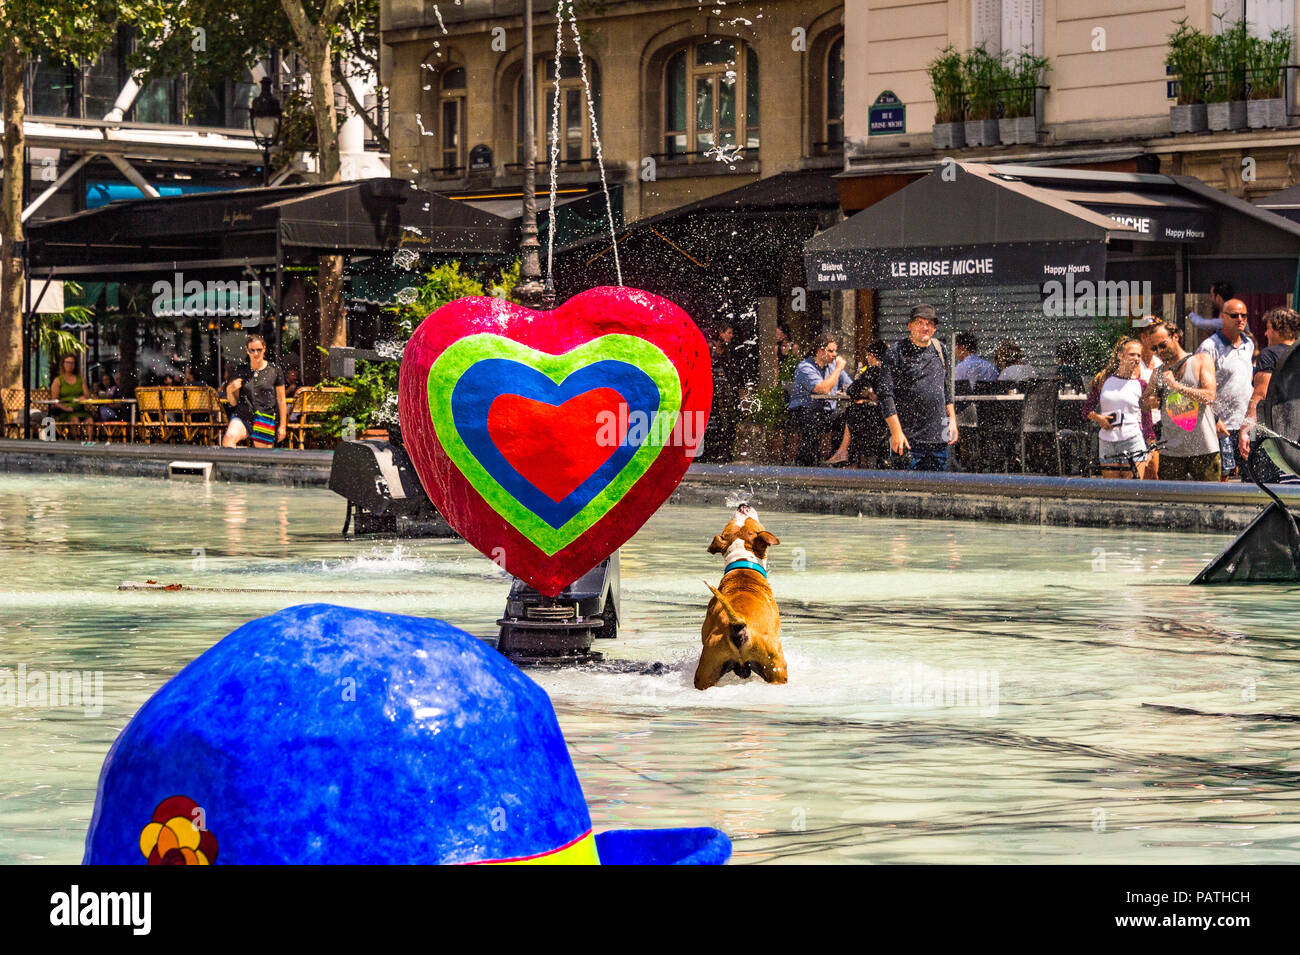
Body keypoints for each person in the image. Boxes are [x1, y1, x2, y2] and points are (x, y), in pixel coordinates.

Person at [877, 303, 957, 471]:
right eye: (919, 323)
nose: (924, 327)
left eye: (929, 323)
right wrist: (896, 432)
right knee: (906, 492)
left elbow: (946, 389)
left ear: (934, 328)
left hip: (939, 436)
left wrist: (952, 421)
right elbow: (885, 395)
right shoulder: (896, 352)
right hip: (908, 438)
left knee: (938, 490)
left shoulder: (940, 349)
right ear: (909, 326)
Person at [1140, 321, 1219, 481]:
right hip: (1171, 452)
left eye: (1162, 345)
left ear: (1175, 337)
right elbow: (1143, 403)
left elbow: (1209, 396)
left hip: (1204, 449)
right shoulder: (1158, 373)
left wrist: (1177, 386)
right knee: (1171, 503)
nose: (1159, 352)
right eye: (1154, 348)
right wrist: (1151, 401)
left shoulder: (1200, 360)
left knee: (1209, 502)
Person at [1239, 306, 1300, 483]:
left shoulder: (1269, 355)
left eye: (1268, 328)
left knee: (1269, 490)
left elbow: (1260, 394)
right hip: (1297, 437)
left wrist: (1246, 429)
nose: (1266, 334)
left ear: (1277, 328)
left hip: (1276, 434)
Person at [1197, 297, 1255, 479]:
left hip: (1245, 424)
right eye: (1234, 315)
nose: (1240, 319)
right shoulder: (1209, 347)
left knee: (1249, 478)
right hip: (1221, 427)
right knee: (1223, 480)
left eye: (1244, 315)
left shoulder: (1249, 344)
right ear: (1223, 317)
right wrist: (1214, 419)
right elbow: (1198, 388)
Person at [1083, 337, 1148, 478]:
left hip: (1132, 440)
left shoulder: (1141, 385)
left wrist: (1150, 442)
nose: (1136, 358)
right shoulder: (1103, 380)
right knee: (1111, 490)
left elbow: (1146, 417)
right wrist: (1098, 418)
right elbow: (1086, 410)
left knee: (1133, 491)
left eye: (1139, 355)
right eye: (1132, 354)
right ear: (1120, 356)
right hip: (1107, 442)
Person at [786, 332, 852, 466]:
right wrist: (839, 369)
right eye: (831, 351)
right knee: (813, 417)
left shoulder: (833, 367)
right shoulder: (805, 367)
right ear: (819, 351)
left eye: (836, 351)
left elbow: (850, 386)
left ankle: (836, 457)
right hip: (803, 411)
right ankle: (805, 460)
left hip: (825, 411)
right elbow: (822, 389)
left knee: (849, 416)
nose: (835, 355)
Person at [222, 334, 287, 448]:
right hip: (244, 415)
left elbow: (281, 400)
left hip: (265, 417)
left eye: (259, 350)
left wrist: (283, 425)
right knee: (228, 439)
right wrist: (229, 389)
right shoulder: (241, 371)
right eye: (252, 350)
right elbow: (233, 403)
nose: (256, 353)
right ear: (247, 351)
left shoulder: (275, 370)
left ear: (264, 349)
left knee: (261, 457)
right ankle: (236, 465)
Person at [706, 324, 740, 462]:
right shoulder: (710, 346)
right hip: (712, 387)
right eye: (729, 332)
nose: (731, 336)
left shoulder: (728, 349)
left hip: (725, 388)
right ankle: (712, 451)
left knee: (727, 419)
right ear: (721, 333)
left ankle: (725, 450)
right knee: (713, 418)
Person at [49, 355, 91, 425]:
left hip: (79, 410)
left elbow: (87, 395)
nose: (70, 365)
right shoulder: (58, 380)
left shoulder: (81, 379)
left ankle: (90, 436)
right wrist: (66, 408)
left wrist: (84, 397)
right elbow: (55, 400)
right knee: (75, 419)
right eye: (67, 362)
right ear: (63, 364)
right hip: (65, 411)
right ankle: (76, 436)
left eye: (72, 363)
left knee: (90, 420)